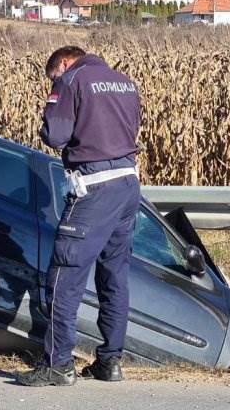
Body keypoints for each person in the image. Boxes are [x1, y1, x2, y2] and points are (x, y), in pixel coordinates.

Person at [17, 46, 142, 387]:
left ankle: (58, 365)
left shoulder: (71, 80)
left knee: (64, 275)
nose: (54, 82)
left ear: (64, 62)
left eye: (52, 76)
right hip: (129, 184)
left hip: (94, 189)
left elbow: (56, 136)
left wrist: (50, 111)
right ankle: (110, 363)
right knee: (114, 276)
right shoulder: (124, 82)